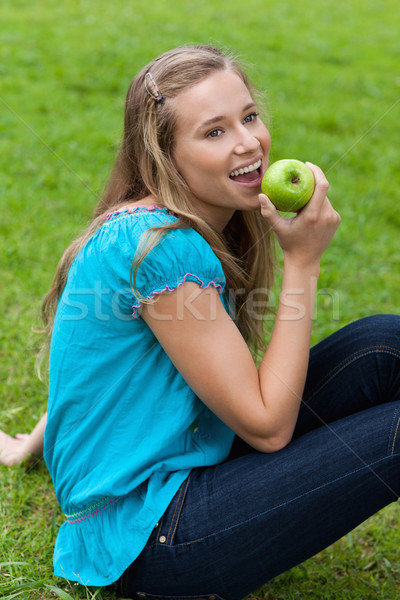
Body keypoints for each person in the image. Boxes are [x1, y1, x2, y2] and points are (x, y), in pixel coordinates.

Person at [1, 44, 400, 600]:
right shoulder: (162, 247)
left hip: (179, 475)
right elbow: (267, 426)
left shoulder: (150, 223)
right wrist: (303, 262)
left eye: (249, 116)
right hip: (153, 541)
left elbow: (99, 368)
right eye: (213, 132)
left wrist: (32, 444)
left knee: (385, 343)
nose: (248, 143)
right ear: (165, 156)